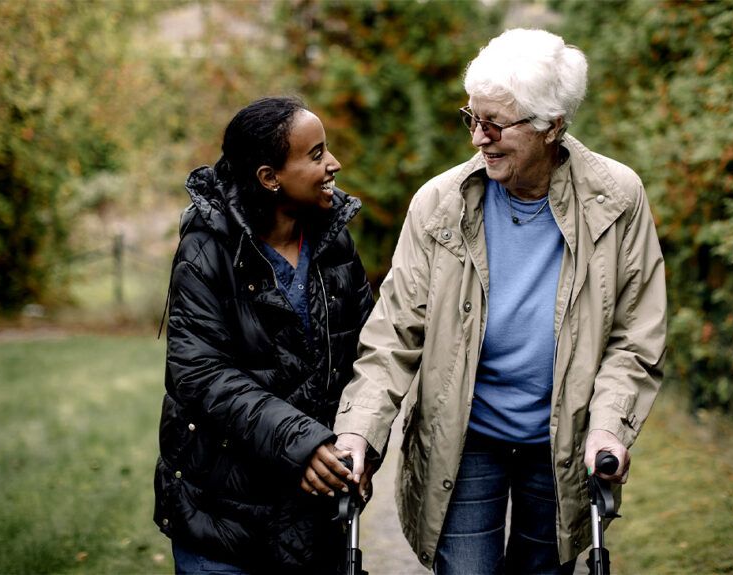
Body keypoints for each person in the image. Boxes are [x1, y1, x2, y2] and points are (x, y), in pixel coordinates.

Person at [329, 29, 667, 574]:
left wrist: (609, 426)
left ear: (551, 126)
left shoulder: (616, 198)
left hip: (563, 441)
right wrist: (359, 430)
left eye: (495, 125)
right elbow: (393, 334)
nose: (478, 139)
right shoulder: (440, 204)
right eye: (472, 119)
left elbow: (635, 336)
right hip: (464, 438)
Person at [153, 96, 374, 574]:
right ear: (270, 177)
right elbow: (200, 373)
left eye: (327, 149)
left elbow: (371, 357)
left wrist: (361, 445)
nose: (333, 164)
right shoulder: (205, 251)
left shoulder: (334, 241)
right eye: (315, 155)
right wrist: (302, 443)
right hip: (224, 522)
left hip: (317, 523)